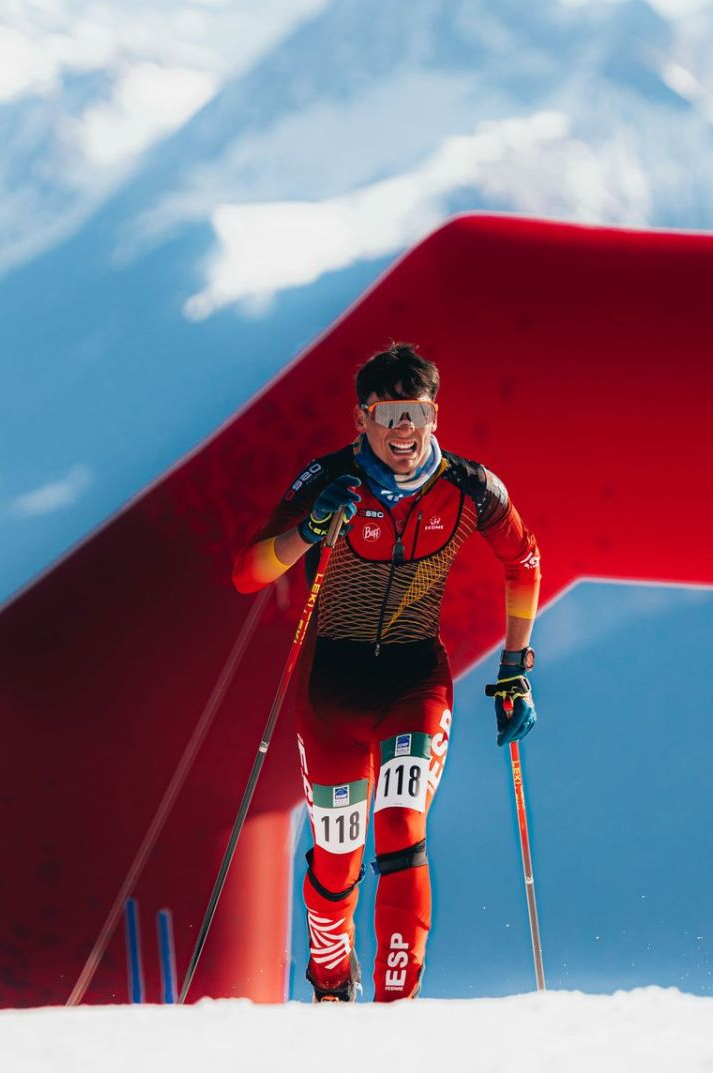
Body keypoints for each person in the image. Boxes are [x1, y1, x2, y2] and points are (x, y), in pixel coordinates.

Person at [232, 341, 541, 1002]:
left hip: (413, 682)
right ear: (362, 419)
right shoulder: (327, 477)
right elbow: (247, 572)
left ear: (435, 416)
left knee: (402, 823)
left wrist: (515, 665)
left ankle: (396, 1008)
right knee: (338, 856)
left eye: (418, 413)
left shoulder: (468, 486)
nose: (404, 431)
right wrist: (308, 531)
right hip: (330, 688)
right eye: (389, 414)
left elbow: (525, 561)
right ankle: (330, 982)